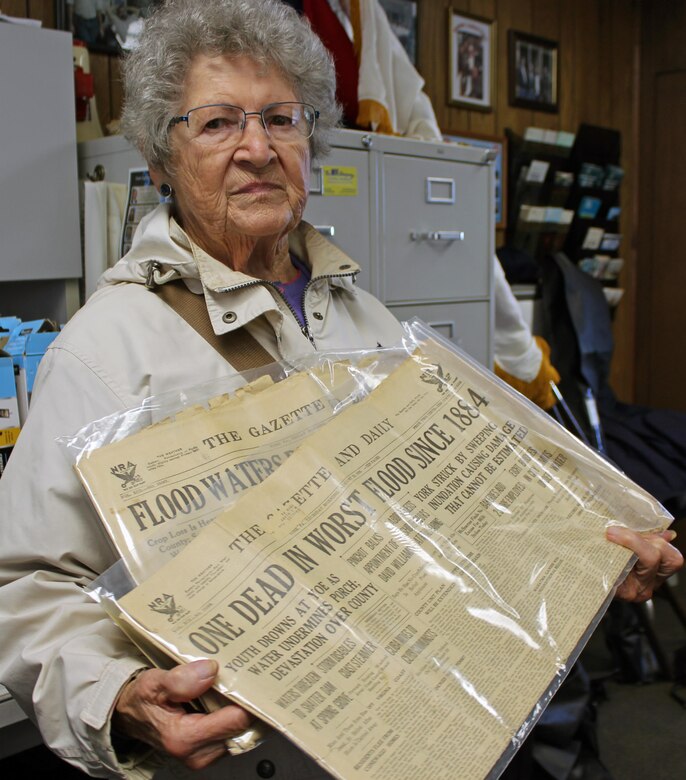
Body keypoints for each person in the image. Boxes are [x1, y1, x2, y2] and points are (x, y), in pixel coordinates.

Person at [0, 2, 681, 779]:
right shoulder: (108, 348)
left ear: (311, 142)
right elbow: (26, 587)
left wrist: (586, 553)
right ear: (160, 161)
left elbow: (460, 506)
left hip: (426, 725)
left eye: (282, 120)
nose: (257, 148)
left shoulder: (366, 315)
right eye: (218, 123)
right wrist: (118, 694)